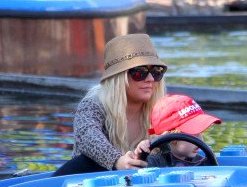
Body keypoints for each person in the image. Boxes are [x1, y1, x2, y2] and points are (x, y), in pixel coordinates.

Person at [53, 33, 167, 176]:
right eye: (140, 72)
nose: (150, 79)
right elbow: (87, 136)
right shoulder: (92, 105)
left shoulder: (164, 109)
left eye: (156, 72)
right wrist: (117, 161)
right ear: (118, 78)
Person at [146, 94, 221, 167]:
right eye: (192, 132)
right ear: (169, 136)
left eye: (200, 132)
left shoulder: (202, 161)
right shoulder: (152, 162)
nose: (201, 140)